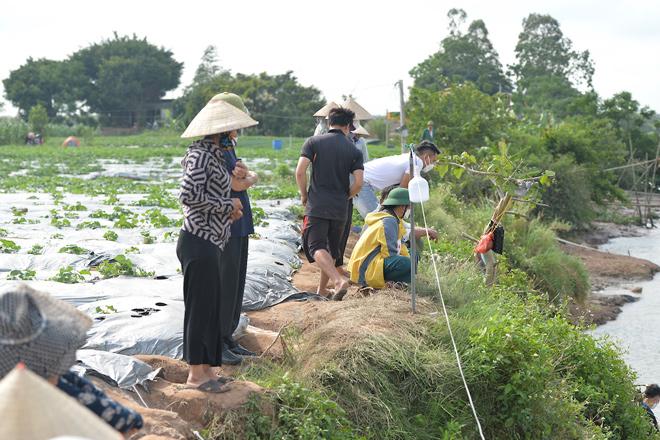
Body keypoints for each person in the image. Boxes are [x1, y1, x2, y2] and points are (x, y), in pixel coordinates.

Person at [178, 94, 257, 392]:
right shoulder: (198, 155)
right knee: (199, 310)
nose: (236, 135)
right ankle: (195, 376)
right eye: (232, 130)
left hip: (213, 240)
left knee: (211, 308)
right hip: (197, 239)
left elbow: (229, 187)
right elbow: (188, 196)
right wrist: (227, 206)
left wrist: (231, 199)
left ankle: (209, 372)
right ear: (219, 132)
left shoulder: (214, 155)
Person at [0, 285, 143, 436]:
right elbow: (120, 418)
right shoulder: (57, 392)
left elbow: (88, 391)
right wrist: (131, 419)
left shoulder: (62, 380)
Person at [295, 107, 364, 300]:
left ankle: (338, 280)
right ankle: (322, 290)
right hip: (340, 207)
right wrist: (347, 196)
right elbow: (359, 182)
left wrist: (304, 195)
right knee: (332, 249)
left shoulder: (314, 142)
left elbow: (300, 172)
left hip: (317, 204)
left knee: (315, 245)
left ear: (329, 122)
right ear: (349, 126)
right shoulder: (353, 149)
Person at [215, 92, 259, 365]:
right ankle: (218, 342)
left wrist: (249, 175)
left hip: (240, 223)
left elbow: (245, 176)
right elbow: (236, 185)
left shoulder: (230, 145)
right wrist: (250, 177)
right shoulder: (215, 149)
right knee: (224, 284)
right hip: (226, 226)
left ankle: (229, 336)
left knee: (236, 284)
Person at [354, 140, 440, 240]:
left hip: (360, 178)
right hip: (363, 182)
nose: (433, 165)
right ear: (426, 157)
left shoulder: (409, 157)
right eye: (433, 161)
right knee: (379, 219)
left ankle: (363, 246)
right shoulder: (416, 162)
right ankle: (364, 250)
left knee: (377, 216)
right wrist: (406, 208)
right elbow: (402, 190)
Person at [348, 188, 412, 288]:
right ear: (402, 207)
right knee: (405, 263)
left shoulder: (393, 219)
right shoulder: (389, 221)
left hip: (370, 265)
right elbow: (389, 253)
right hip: (366, 269)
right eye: (408, 207)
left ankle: (398, 283)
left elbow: (401, 245)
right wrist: (408, 265)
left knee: (412, 255)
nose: (408, 210)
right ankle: (388, 283)